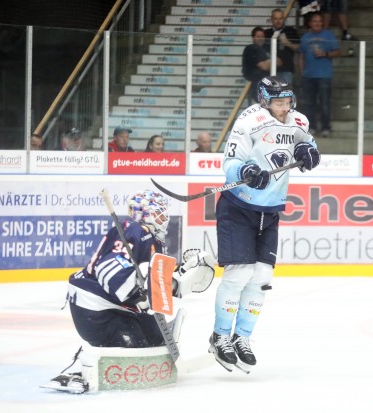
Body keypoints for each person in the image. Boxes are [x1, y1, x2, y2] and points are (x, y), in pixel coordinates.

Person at [47, 190, 216, 393]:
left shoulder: (149, 238)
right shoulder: (134, 230)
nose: (165, 219)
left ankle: (109, 347)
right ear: (145, 214)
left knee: (154, 341)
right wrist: (135, 293)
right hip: (95, 307)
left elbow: (151, 283)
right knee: (135, 349)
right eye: (160, 213)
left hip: (118, 307)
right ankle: (82, 366)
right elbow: (108, 270)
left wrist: (179, 278)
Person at [209, 76, 321, 373]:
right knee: (239, 273)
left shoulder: (299, 121)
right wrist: (244, 169)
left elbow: (308, 146)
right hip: (239, 206)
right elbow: (230, 161)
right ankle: (220, 336)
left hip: (270, 210)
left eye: (288, 101)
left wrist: (310, 153)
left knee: (261, 277)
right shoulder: (249, 121)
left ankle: (242, 337)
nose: (285, 107)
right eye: (279, 102)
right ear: (265, 101)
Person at [298, 11, 341, 136]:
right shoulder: (305, 37)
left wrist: (325, 54)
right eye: (314, 21)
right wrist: (302, 72)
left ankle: (326, 128)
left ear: (322, 23)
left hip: (324, 76)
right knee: (309, 103)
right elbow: (301, 56)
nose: (317, 23)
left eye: (319, 21)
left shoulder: (329, 35)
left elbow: (338, 52)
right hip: (308, 76)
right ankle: (311, 127)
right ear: (310, 23)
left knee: (325, 103)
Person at [242, 26, 281, 105]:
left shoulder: (266, 48)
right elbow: (264, 66)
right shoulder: (251, 49)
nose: (260, 38)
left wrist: (269, 62)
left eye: (262, 36)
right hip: (256, 85)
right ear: (253, 38)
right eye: (258, 36)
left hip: (267, 84)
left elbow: (280, 62)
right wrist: (272, 61)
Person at [264, 9, 300, 85]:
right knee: (271, 96)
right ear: (271, 19)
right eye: (276, 19)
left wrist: (287, 43)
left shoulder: (291, 31)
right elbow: (260, 50)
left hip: (286, 70)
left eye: (280, 18)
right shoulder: (266, 33)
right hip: (269, 71)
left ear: (284, 19)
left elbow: (299, 48)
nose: (278, 21)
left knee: (284, 95)